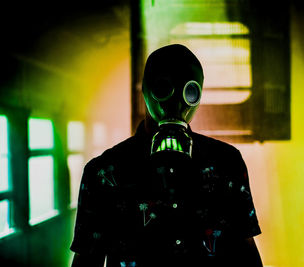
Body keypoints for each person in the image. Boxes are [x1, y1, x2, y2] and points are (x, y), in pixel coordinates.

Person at [71, 44, 263, 267]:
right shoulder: (104, 173)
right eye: (163, 88)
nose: (177, 103)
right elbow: (88, 258)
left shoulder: (227, 162)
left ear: (198, 96)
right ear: (145, 90)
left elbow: (245, 251)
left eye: (189, 92)